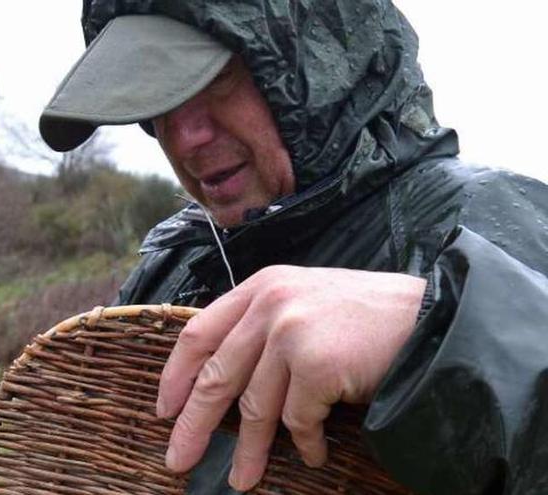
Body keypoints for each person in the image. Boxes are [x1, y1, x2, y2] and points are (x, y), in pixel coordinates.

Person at [38, 1, 548, 494]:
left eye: (218, 77)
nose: (185, 135)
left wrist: (440, 329)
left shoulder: (480, 217)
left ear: (320, 61)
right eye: (158, 95)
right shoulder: (177, 262)